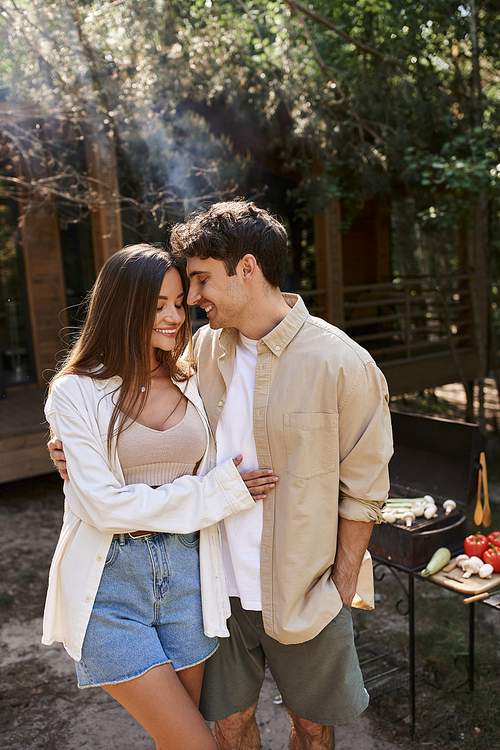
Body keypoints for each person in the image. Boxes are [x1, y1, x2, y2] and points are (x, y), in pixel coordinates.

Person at [50, 201, 393, 750]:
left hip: (303, 589)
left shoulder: (342, 362)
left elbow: (366, 491)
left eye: (201, 280)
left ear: (248, 269)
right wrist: (74, 453)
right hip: (211, 587)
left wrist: (342, 582)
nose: (190, 300)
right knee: (227, 726)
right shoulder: (200, 352)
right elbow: (131, 418)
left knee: (311, 726)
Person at [43, 244, 278, 750]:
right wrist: (214, 494)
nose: (174, 316)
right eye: (157, 306)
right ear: (122, 306)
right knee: (196, 743)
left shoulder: (193, 378)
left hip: (189, 583)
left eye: (177, 302)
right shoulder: (75, 392)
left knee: (175, 740)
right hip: (111, 590)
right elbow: (103, 507)